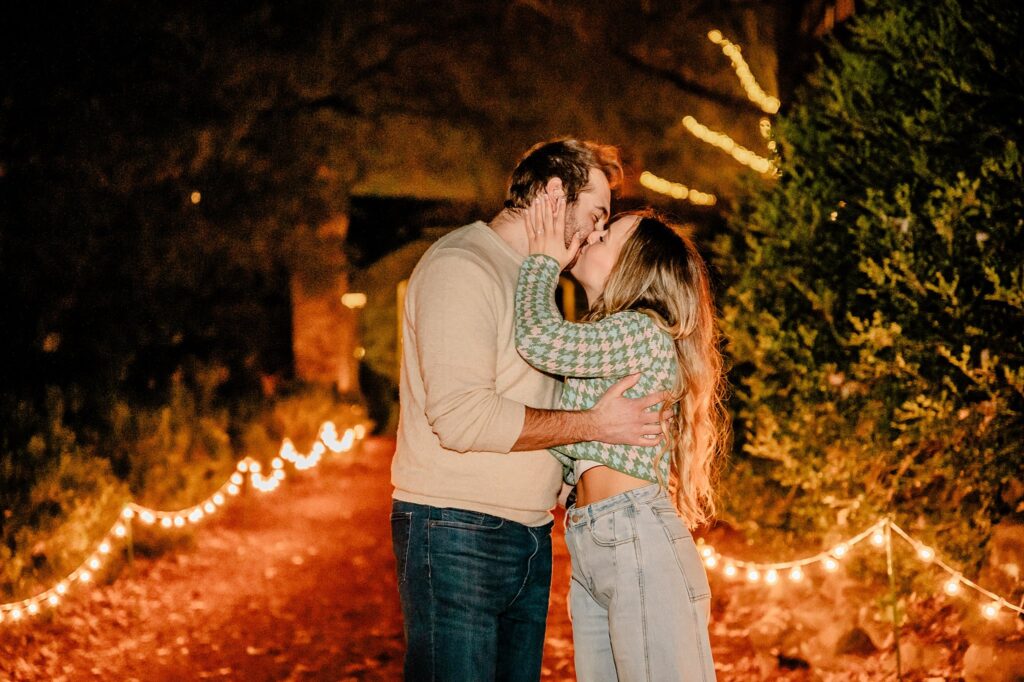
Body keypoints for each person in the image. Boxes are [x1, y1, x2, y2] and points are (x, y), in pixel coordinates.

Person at [391, 139, 668, 682]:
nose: (594, 234)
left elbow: (538, 402)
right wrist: (594, 425)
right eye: (595, 215)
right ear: (552, 193)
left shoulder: (536, 283)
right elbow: (463, 418)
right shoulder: (462, 266)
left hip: (529, 536)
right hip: (456, 531)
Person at [514, 194, 728, 681]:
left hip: (634, 534)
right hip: (594, 538)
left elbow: (538, 338)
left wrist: (541, 263)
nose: (591, 235)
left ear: (635, 266)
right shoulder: (609, 336)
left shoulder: (641, 331)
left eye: (605, 235)